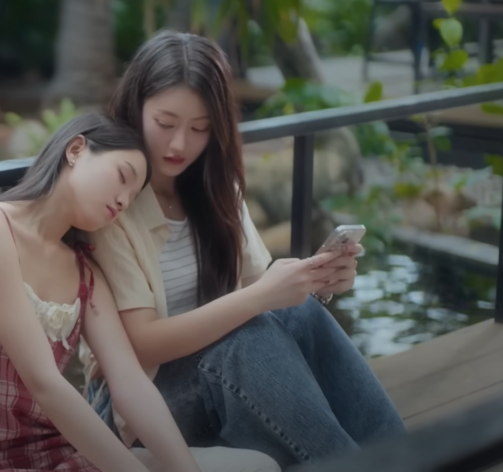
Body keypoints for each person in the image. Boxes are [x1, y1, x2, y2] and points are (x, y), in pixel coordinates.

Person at [79, 30, 409, 469]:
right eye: (165, 123)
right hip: (136, 403)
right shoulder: (113, 199)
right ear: (135, 107)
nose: (179, 145)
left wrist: (318, 280)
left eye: (199, 128)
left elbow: (264, 296)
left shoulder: (216, 189)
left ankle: (408, 459)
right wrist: (262, 296)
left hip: (220, 375)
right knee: (245, 343)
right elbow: (140, 346)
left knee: (300, 313)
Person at [0, 113, 280, 472]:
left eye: (132, 196)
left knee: (257, 466)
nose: (124, 201)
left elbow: (130, 383)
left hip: (57, 452)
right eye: (122, 177)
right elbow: (44, 382)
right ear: (76, 150)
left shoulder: (85, 272)